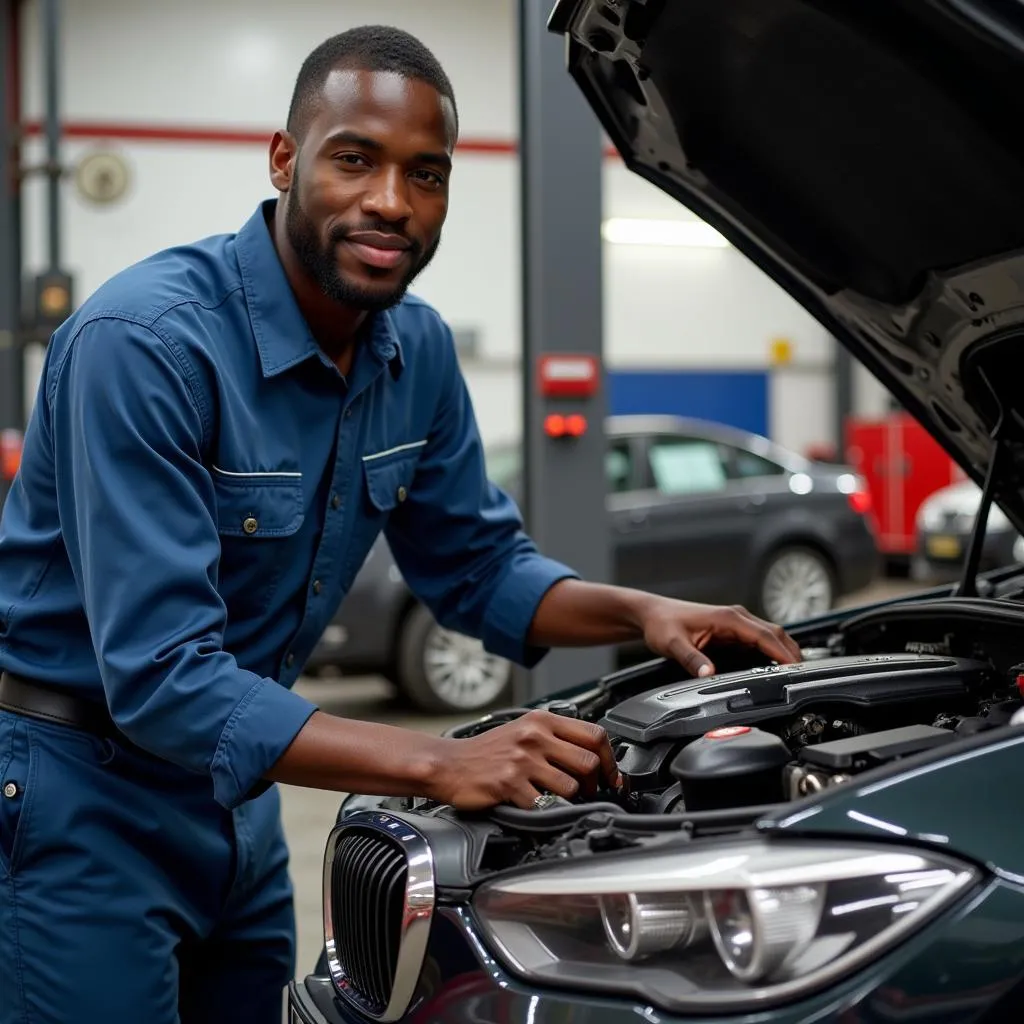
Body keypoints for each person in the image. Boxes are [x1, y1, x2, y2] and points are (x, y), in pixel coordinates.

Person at [0, 24, 802, 1024]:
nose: (391, 201)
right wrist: (443, 757)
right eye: (353, 159)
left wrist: (641, 611)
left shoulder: (411, 349)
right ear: (285, 159)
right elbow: (162, 679)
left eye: (426, 174)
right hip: (82, 793)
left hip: (238, 800)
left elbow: (476, 566)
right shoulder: (145, 345)